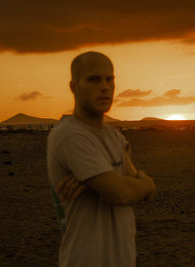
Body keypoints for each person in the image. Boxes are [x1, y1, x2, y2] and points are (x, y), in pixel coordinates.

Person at [47, 51, 155, 267]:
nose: (105, 86)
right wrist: (137, 183)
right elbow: (122, 193)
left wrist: (139, 183)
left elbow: (146, 191)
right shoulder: (69, 135)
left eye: (109, 79)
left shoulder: (114, 137)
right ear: (73, 86)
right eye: (94, 79)